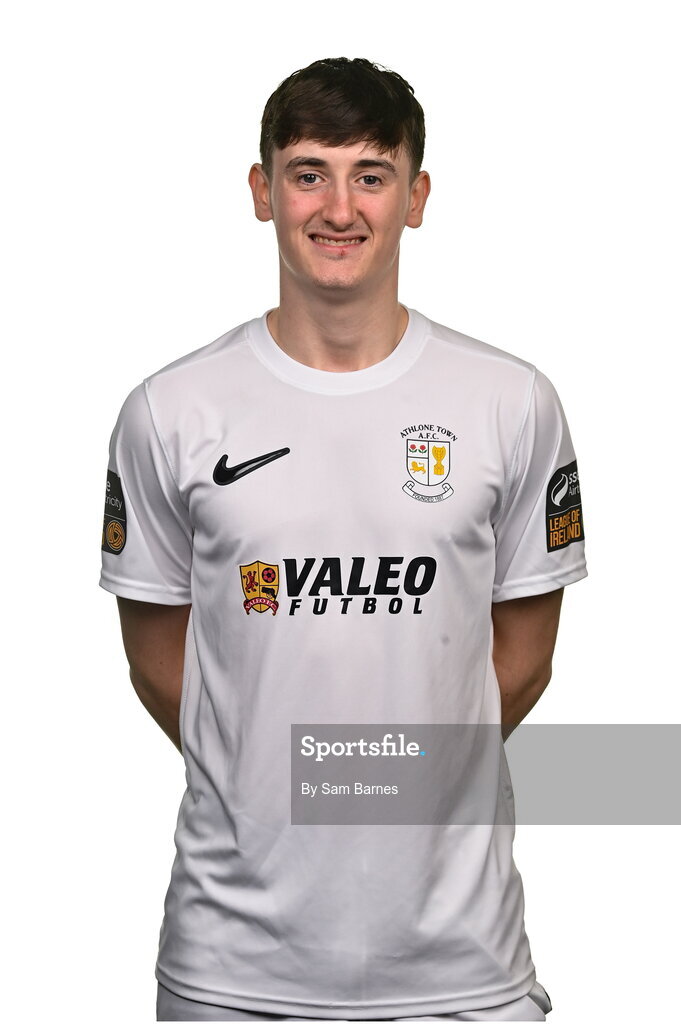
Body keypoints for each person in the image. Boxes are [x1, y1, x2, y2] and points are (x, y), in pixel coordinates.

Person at [99, 57, 587, 1022]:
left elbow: (522, 659)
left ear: (416, 197)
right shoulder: (169, 411)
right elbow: (161, 663)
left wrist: (387, 776)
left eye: (370, 173)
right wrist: (267, 777)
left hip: (460, 971)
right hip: (232, 969)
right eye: (308, 171)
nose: (339, 206)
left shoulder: (510, 401)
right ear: (261, 191)